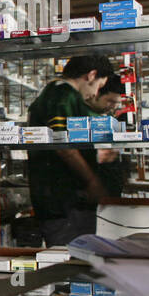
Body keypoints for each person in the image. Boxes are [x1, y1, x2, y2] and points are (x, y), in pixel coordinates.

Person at [26, 54, 114, 245]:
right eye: (99, 86)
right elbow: (63, 146)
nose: (94, 94)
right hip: (64, 202)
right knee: (72, 262)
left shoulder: (58, 94)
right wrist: (92, 181)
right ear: (91, 75)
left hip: (63, 200)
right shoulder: (62, 95)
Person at [89, 73, 132, 197]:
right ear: (96, 93)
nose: (113, 106)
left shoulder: (110, 119)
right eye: (110, 101)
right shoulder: (81, 116)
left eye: (117, 103)